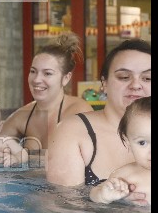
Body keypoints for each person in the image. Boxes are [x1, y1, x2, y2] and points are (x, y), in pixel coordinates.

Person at [46, 39, 151, 204]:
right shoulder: (73, 132)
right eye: (124, 77)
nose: (136, 85)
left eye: (148, 78)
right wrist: (114, 203)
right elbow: (62, 208)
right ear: (104, 84)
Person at [0, 32, 93, 153]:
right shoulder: (21, 117)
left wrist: (24, 156)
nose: (37, 80)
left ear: (66, 78)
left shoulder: (79, 112)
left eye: (47, 73)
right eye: (33, 71)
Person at [89, 96, 150, 205]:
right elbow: (95, 192)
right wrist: (103, 196)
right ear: (128, 142)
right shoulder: (125, 175)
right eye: (142, 143)